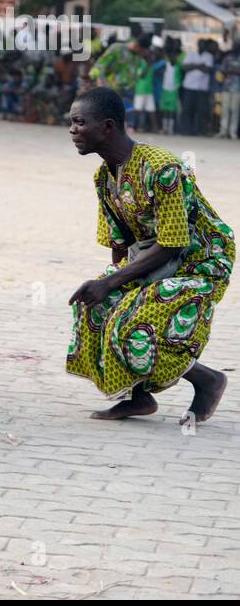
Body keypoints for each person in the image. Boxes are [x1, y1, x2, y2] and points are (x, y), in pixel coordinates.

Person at [66, 87, 232, 424]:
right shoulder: (104, 177)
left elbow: (172, 242)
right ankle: (137, 397)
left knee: (133, 322)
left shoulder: (162, 167)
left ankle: (208, 380)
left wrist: (115, 283)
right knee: (96, 308)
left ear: (108, 126)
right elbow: (119, 241)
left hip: (199, 261)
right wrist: (112, 284)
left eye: (79, 122)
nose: (72, 130)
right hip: (154, 260)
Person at [179, 39, 215, 135]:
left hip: (202, 88)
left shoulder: (209, 56)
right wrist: (199, 65)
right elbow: (184, 67)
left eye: (204, 44)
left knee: (201, 111)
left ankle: (199, 131)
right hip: (189, 86)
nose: (202, 46)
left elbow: (207, 69)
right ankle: (186, 130)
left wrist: (193, 66)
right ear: (198, 45)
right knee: (187, 110)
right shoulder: (191, 53)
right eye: (201, 44)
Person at [215, 43, 240, 140]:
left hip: (238, 88)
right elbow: (222, 71)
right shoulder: (227, 58)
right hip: (226, 87)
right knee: (225, 110)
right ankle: (223, 131)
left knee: (235, 110)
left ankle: (232, 132)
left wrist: (232, 71)